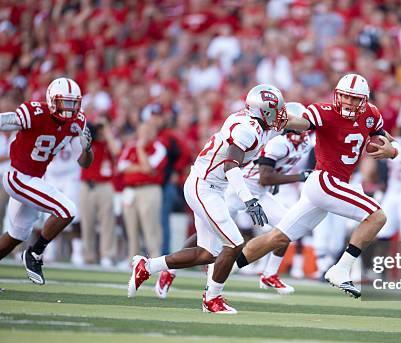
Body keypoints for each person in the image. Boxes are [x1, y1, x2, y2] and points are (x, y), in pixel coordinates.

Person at [127, 84, 288, 314]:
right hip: (204, 186)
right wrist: (249, 200)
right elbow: (231, 165)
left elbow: (291, 121)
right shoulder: (247, 129)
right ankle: (212, 299)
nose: (279, 115)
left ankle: (148, 266)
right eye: (274, 111)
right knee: (233, 243)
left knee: (207, 253)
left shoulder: (258, 124)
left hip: (213, 186)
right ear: (261, 112)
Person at [234, 74, 399, 298]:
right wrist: (283, 119)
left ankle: (222, 267)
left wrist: (393, 150)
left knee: (278, 238)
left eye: (354, 99)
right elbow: (301, 122)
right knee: (377, 216)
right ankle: (341, 270)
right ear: (337, 95)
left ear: (364, 100)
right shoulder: (324, 111)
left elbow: (383, 137)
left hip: (325, 186)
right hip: (326, 181)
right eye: (345, 97)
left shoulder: (371, 114)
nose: (348, 103)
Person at [154, 102, 314, 298]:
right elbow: (264, 175)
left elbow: (272, 172)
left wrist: (278, 178)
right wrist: (298, 177)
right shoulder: (277, 140)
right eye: (298, 124)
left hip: (260, 192)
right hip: (238, 187)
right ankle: (171, 271)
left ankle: (269, 274)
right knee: (208, 236)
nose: (303, 129)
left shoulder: (303, 142)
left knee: (288, 225)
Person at [0, 77, 93, 284]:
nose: (69, 108)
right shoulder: (35, 112)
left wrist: (87, 149)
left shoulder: (77, 122)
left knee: (17, 234)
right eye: (64, 102)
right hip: (19, 177)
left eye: (73, 103)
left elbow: (84, 163)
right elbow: (6, 120)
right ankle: (34, 254)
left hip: (33, 179)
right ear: (52, 100)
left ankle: (31, 251)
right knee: (67, 209)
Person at [117, 122, 167, 261]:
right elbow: (121, 166)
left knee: (150, 227)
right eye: (142, 131)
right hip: (131, 190)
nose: (144, 135)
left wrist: (140, 150)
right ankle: (133, 259)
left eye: (147, 131)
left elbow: (148, 169)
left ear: (153, 133)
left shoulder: (158, 148)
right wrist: (140, 166)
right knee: (131, 228)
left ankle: (155, 259)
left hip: (149, 189)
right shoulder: (130, 146)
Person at [80, 118, 121, 267]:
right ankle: (88, 255)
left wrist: (107, 131)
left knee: (107, 222)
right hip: (87, 185)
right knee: (87, 221)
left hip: (105, 185)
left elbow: (117, 152)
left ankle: (107, 255)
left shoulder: (108, 143)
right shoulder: (89, 143)